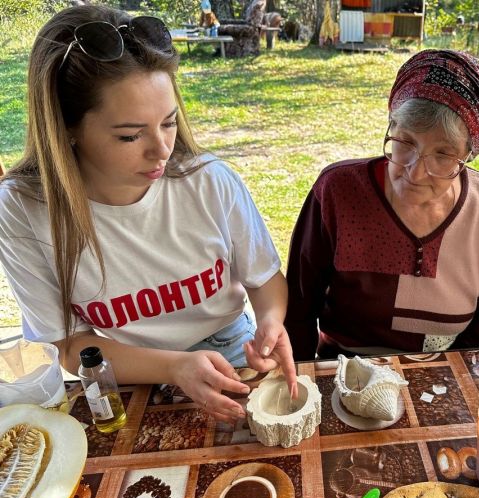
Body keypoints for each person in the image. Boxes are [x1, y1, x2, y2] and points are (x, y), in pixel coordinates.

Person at [0, 5, 297, 422]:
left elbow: (264, 279)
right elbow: (68, 347)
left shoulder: (208, 180)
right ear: (66, 128)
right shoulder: (23, 209)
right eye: (130, 135)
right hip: (125, 368)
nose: (162, 150)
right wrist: (172, 366)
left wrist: (269, 321)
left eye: (169, 122)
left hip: (230, 345)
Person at [285, 50, 479, 360]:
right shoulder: (338, 190)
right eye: (405, 142)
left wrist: (453, 381)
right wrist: (302, 382)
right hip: (344, 363)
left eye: (443, 154)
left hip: (441, 370)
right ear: (390, 125)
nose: (415, 171)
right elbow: (299, 306)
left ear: (468, 153)